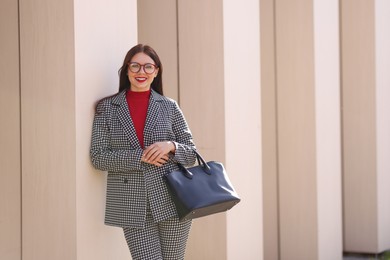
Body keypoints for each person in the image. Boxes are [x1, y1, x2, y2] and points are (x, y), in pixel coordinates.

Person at [90, 44, 197, 260]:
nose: (142, 72)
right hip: (132, 203)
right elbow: (98, 156)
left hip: (173, 199)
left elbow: (192, 154)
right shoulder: (107, 108)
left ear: (156, 71)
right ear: (126, 70)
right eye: (135, 66)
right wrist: (139, 156)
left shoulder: (169, 107)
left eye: (148, 67)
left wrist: (171, 146)